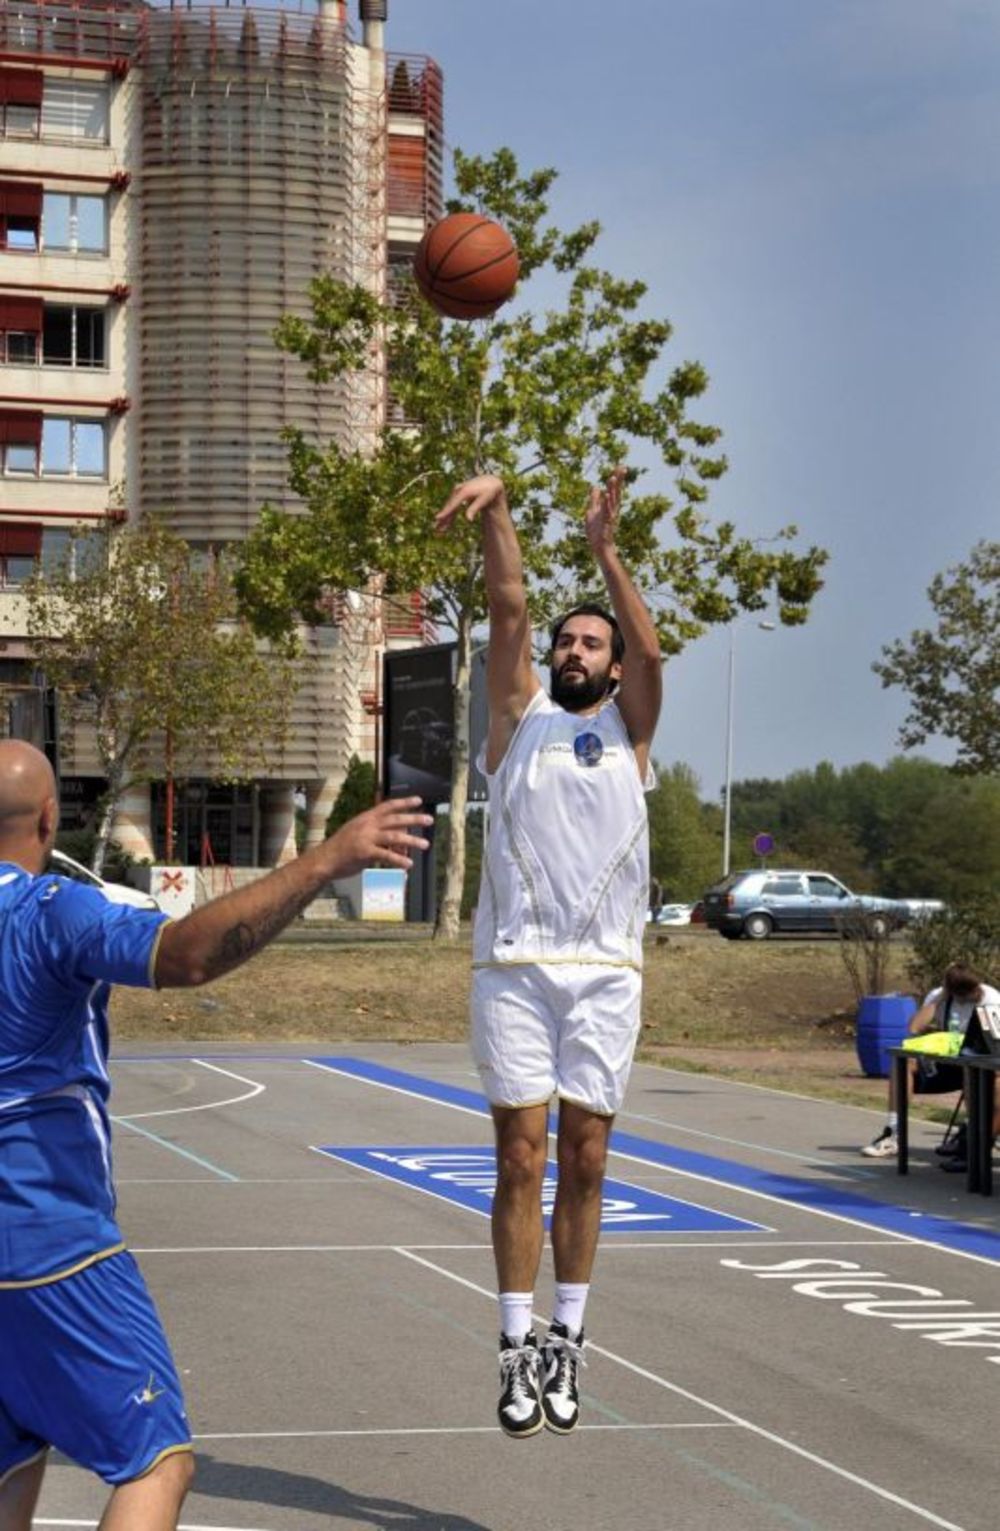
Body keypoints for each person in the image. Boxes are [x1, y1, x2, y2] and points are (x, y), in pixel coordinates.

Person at [0, 739, 430, 1531]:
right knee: (156, 1462)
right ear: (53, 816)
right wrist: (321, 862)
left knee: (13, 1463)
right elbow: (187, 954)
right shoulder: (52, 910)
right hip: (48, 1245)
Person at [435, 469, 662, 1439]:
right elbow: (506, 602)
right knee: (519, 1156)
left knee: (588, 1156)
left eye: (589, 642)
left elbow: (653, 646)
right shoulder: (513, 717)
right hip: (517, 969)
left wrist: (608, 552)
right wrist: (498, 512)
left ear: (610, 669)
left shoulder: (630, 732)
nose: (572, 648)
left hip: (606, 973)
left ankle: (569, 1336)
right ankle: (514, 1345)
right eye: (566, 640)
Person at [861, 962, 1000, 1168]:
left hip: (979, 1065)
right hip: (949, 1063)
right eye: (960, 993)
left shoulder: (990, 998)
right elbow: (914, 1027)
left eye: (971, 991)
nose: (967, 997)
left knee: (972, 1070)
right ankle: (893, 1134)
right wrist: (940, 997)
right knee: (904, 1064)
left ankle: (974, 1138)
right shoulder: (939, 997)